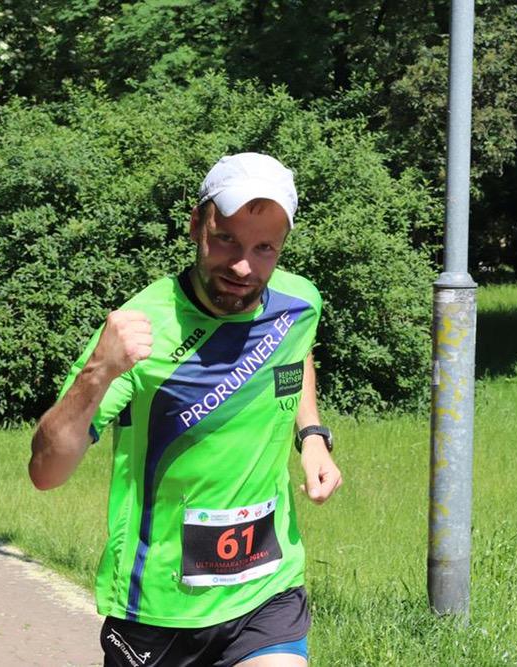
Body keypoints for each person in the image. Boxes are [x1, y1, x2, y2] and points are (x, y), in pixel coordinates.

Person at [29, 152, 342, 667]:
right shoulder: (141, 329)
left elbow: (296, 353)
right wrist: (97, 373)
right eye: (227, 240)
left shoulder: (299, 303)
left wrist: (311, 436)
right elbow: (46, 472)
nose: (243, 266)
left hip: (267, 588)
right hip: (158, 607)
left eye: (264, 248)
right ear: (197, 224)